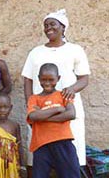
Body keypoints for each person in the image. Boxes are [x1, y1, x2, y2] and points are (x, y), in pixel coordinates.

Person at [22, 9, 90, 176]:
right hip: (40, 109)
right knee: (40, 160)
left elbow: (84, 78)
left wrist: (71, 89)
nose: (48, 28)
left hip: (67, 106)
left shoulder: (75, 50)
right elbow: (27, 80)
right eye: (46, 25)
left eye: (53, 24)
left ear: (63, 27)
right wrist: (31, 105)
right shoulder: (35, 52)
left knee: (69, 158)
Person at [27, 63, 79, 178]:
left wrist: (43, 117)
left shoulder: (63, 95)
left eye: (51, 80)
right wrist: (58, 109)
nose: (47, 83)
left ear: (58, 78)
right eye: (44, 79)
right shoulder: (34, 98)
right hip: (41, 144)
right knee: (39, 175)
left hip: (63, 142)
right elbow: (33, 116)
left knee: (71, 174)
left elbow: (71, 114)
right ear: (38, 78)